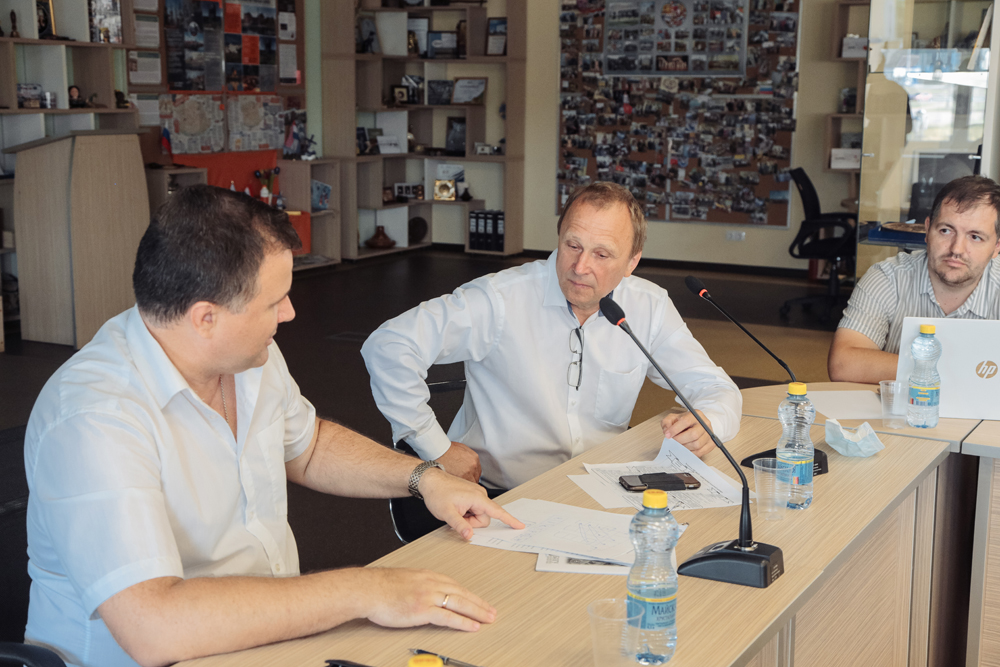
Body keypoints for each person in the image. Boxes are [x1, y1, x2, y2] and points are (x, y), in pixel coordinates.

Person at [23, 185, 523, 667]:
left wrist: (423, 478)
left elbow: (308, 447)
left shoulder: (246, 356)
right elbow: (153, 628)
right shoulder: (94, 421)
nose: (290, 313)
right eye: (274, 302)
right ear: (205, 318)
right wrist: (367, 588)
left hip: (266, 635)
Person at [361, 182, 742, 491]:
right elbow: (388, 346)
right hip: (498, 494)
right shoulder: (500, 299)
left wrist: (709, 423)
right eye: (572, 245)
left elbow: (714, 387)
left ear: (632, 262)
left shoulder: (649, 306)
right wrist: (436, 448)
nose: (580, 266)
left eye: (602, 254)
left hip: (602, 490)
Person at [828, 175, 1000, 383]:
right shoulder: (887, 278)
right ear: (927, 230)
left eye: (975, 237)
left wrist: (921, 370)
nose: (956, 249)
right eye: (946, 231)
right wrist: (964, 372)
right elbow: (843, 364)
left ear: (997, 246)